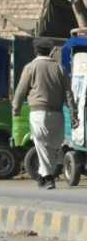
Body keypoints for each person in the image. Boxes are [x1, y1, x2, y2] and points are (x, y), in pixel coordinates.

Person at [13, 44, 79, 189]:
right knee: (54, 146)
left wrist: (15, 109)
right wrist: (73, 114)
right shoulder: (60, 68)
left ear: (35, 52)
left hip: (38, 113)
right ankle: (45, 177)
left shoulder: (30, 67)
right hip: (58, 113)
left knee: (42, 145)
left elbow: (20, 90)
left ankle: (47, 177)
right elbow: (69, 93)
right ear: (50, 52)